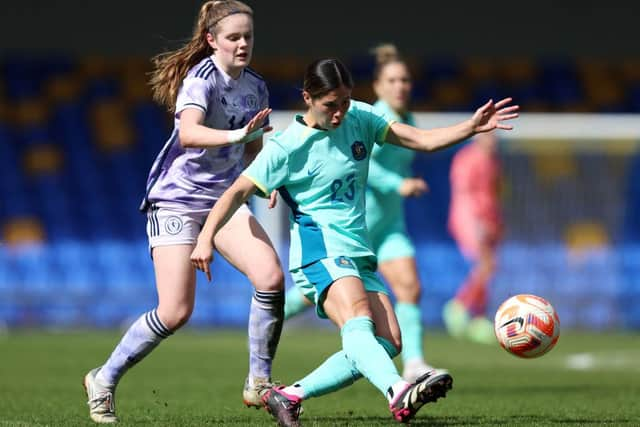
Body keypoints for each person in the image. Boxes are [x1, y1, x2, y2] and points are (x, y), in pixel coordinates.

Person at [191, 58, 518, 426]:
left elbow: (422, 141)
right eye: (331, 105)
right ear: (308, 98)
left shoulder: (360, 117)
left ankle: (290, 395)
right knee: (358, 319)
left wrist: (470, 128)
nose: (339, 113)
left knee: (389, 341)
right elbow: (237, 190)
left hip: (358, 250)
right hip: (321, 251)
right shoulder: (286, 146)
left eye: (345, 102)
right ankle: (398, 392)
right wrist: (205, 237)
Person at [82, 1, 285, 423]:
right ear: (212, 40)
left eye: (248, 36)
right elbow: (189, 133)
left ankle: (259, 382)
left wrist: (263, 177)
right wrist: (237, 133)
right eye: (233, 37)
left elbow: (254, 145)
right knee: (175, 311)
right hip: (177, 199)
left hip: (223, 199)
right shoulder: (200, 79)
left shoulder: (256, 86)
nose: (243, 43)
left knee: (270, 277)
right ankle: (103, 378)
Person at [283, 44, 438, 382]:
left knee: (410, 286)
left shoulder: (409, 119)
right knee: (324, 297)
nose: (401, 86)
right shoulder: (369, 116)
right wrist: (398, 184)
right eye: (393, 80)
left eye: (406, 80)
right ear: (379, 86)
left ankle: (413, 363)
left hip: (390, 224)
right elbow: (359, 167)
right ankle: (272, 314)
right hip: (356, 225)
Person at [443, 131, 502, 344]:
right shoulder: (468, 158)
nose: (493, 140)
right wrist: (477, 222)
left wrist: (495, 219)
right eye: (489, 136)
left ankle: (477, 317)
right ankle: (458, 307)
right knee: (486, 265)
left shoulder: (492, 160)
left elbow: (493, 192)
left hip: (488, 219)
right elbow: (464, 191)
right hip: (471, 219)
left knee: (487, 267)